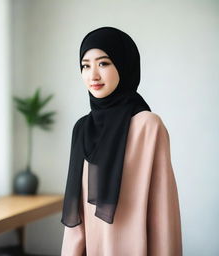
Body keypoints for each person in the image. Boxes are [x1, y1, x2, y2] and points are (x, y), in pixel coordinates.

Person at [60, 26, 182, 256]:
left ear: (124, 65)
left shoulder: (148, 126)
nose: (93, 75)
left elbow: (162, 212)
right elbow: (77, 217)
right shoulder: (82, 129)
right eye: (86, 65)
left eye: (103, 63)